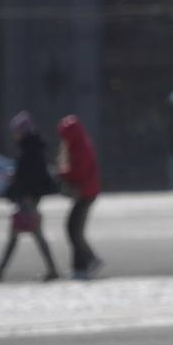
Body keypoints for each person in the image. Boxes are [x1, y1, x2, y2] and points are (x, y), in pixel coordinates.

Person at [0, 111, 60, 282]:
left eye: (16, 131)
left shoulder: (30, 149)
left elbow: (32, 176)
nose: (14, 134)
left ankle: (1, 270)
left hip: (28, 198)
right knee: (30, 233)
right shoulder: (31, 147)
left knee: (23, 233)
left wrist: (25, 194)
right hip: (29, 196)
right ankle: (50, 269)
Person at [57, 114, 103, 280]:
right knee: (74, 229)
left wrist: (63, 174)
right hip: (86, 191)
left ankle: (87, 262)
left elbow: (79, 173)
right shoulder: (78, 144)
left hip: (86, 192)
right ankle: (82, 265)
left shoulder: (80, 147)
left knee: (73, 229)